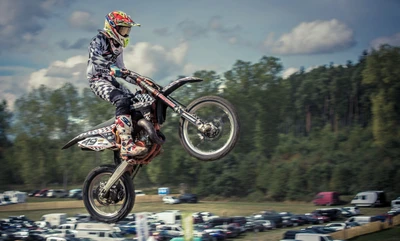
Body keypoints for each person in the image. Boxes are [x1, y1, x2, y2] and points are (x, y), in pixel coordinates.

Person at [86, 10, 146, 159]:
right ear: (112, 27)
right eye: (123, 29)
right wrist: (110, 66)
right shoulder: (98, 40)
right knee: (122, 100)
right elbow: (95, 57)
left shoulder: (118, 46)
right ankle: (126, 145)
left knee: (140, 100)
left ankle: (140, 137)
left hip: (112, 79)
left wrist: (138, 81)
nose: (126, 33)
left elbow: (122, 68)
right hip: (98, 80)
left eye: (127, 30)